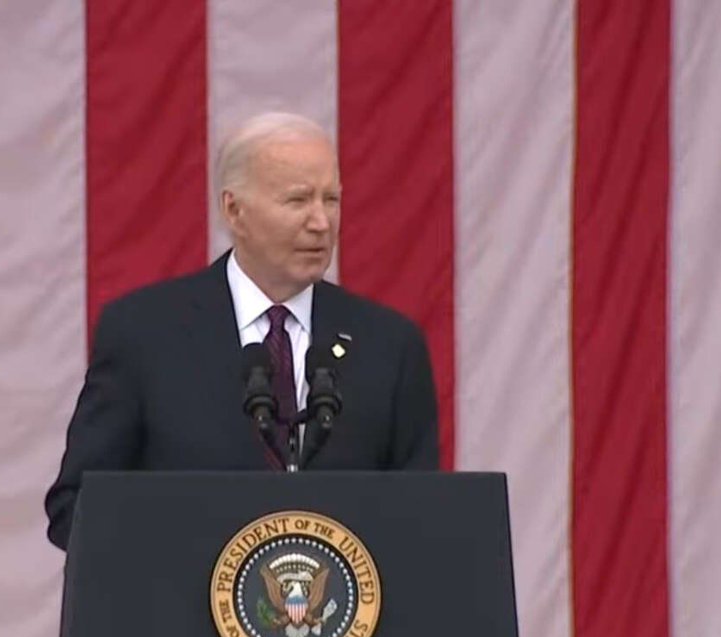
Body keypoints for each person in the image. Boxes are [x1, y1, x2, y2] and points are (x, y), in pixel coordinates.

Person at [44, 112, 439, 550]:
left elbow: (424, 520)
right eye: (298, 200)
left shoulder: (390, 347)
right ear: (234, 210)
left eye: (331, 199)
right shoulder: (144, 334)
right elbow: (77, 507)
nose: (321, 222)